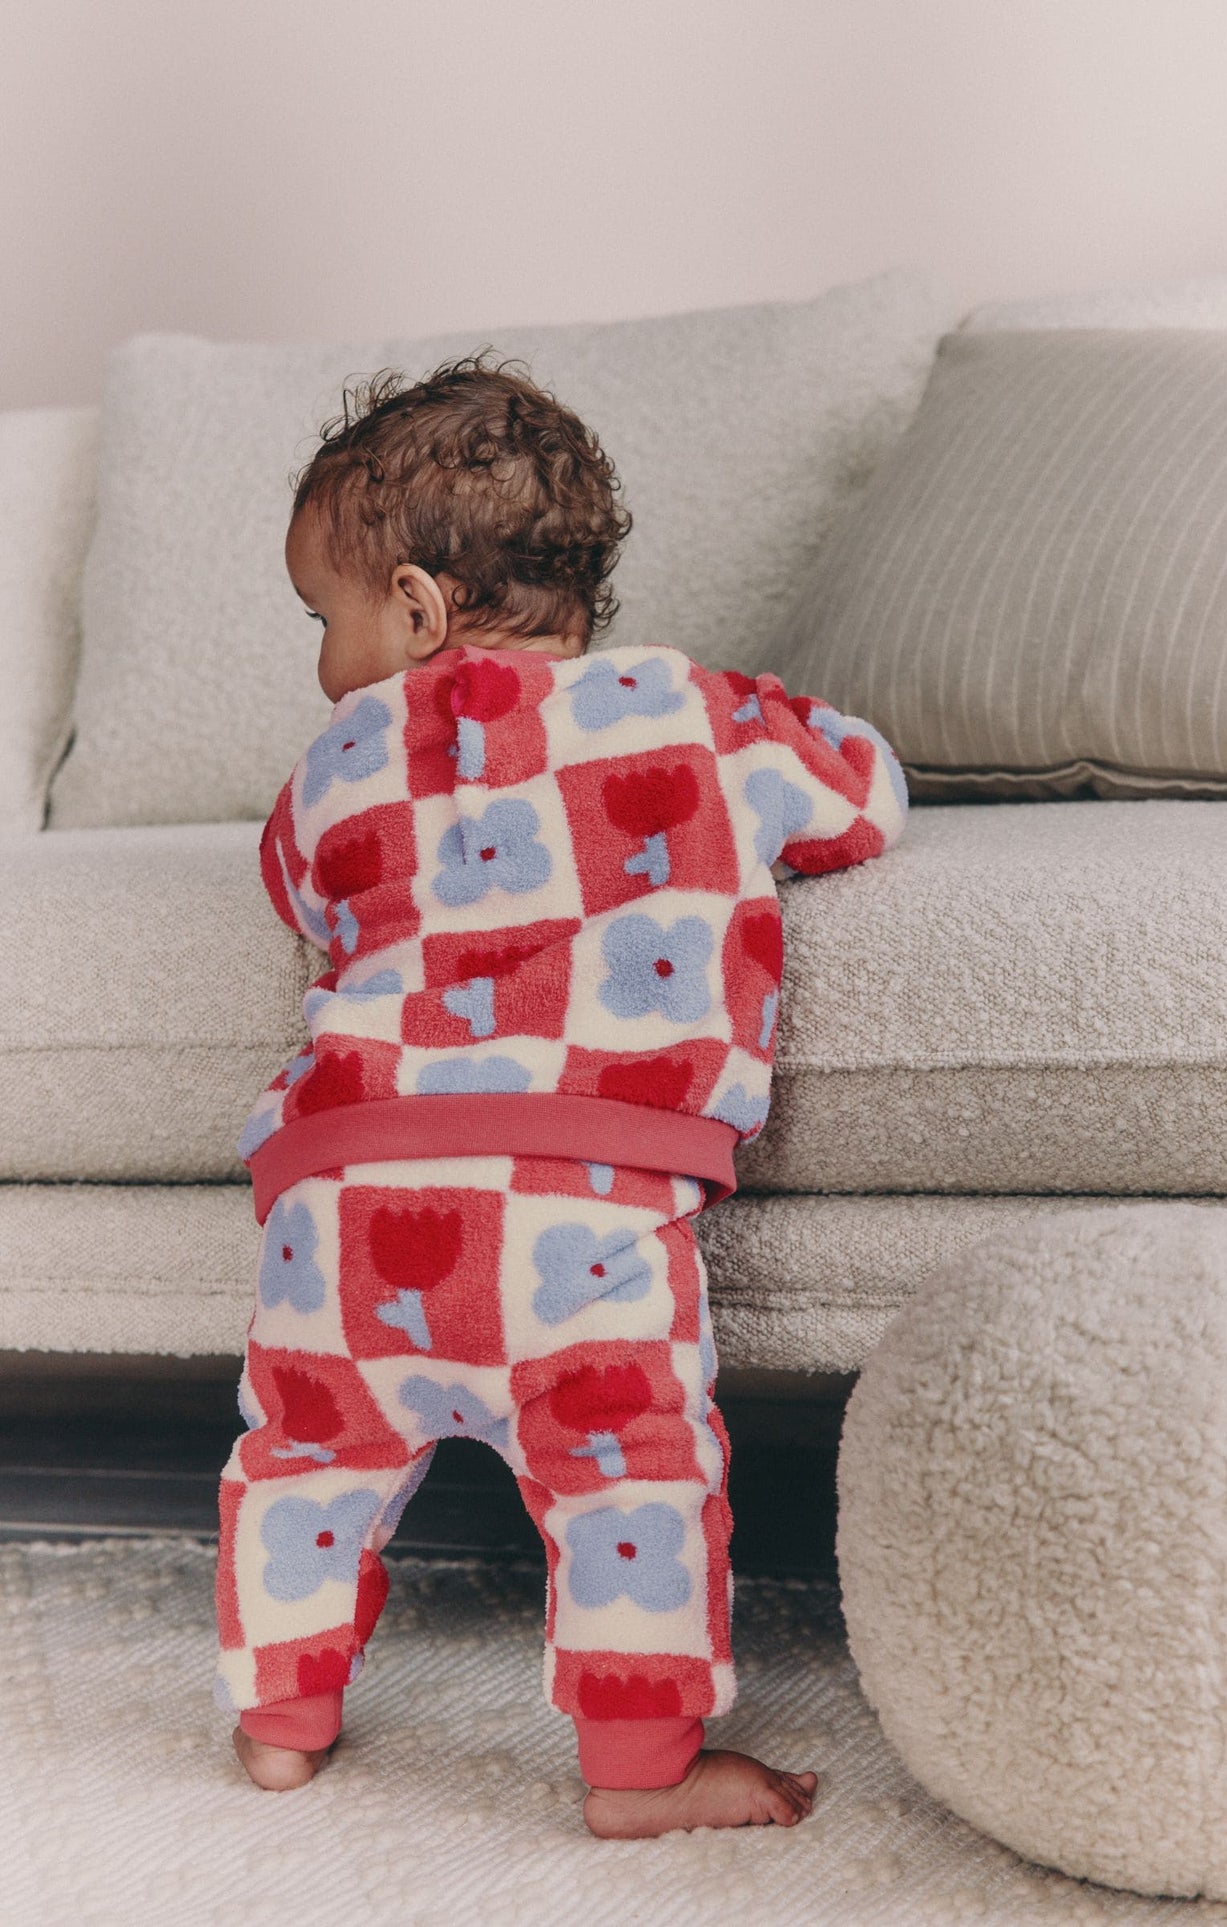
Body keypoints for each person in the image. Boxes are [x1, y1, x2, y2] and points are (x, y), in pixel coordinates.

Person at [215, 354, 907, 1837]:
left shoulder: (333, 761)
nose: (321, 663)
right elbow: (864, 793)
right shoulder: (703, 714)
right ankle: (639, 1774)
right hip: (579, 1201)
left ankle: (277, 1723)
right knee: (631, 1476)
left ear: (410, 607)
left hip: (340, 1193)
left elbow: (296, 891)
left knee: (306, 1458)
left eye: (321, 620)